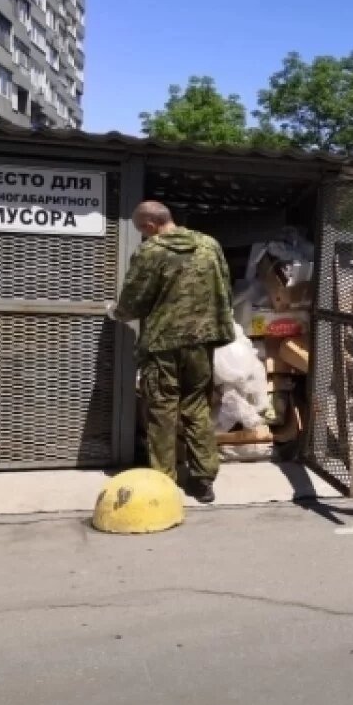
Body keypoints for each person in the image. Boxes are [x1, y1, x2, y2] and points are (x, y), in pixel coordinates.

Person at [108, 201, 235, 503]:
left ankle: (162, 482)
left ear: (150, 225)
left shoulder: (150, 251)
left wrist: (116, 313)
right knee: (197, 408)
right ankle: (204, 480)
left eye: (142, 230)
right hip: (202, 343)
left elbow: (134, 300)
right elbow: (226, 289)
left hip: (163, 344)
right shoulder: (209, 245)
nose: (143, 236)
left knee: (161, 411)